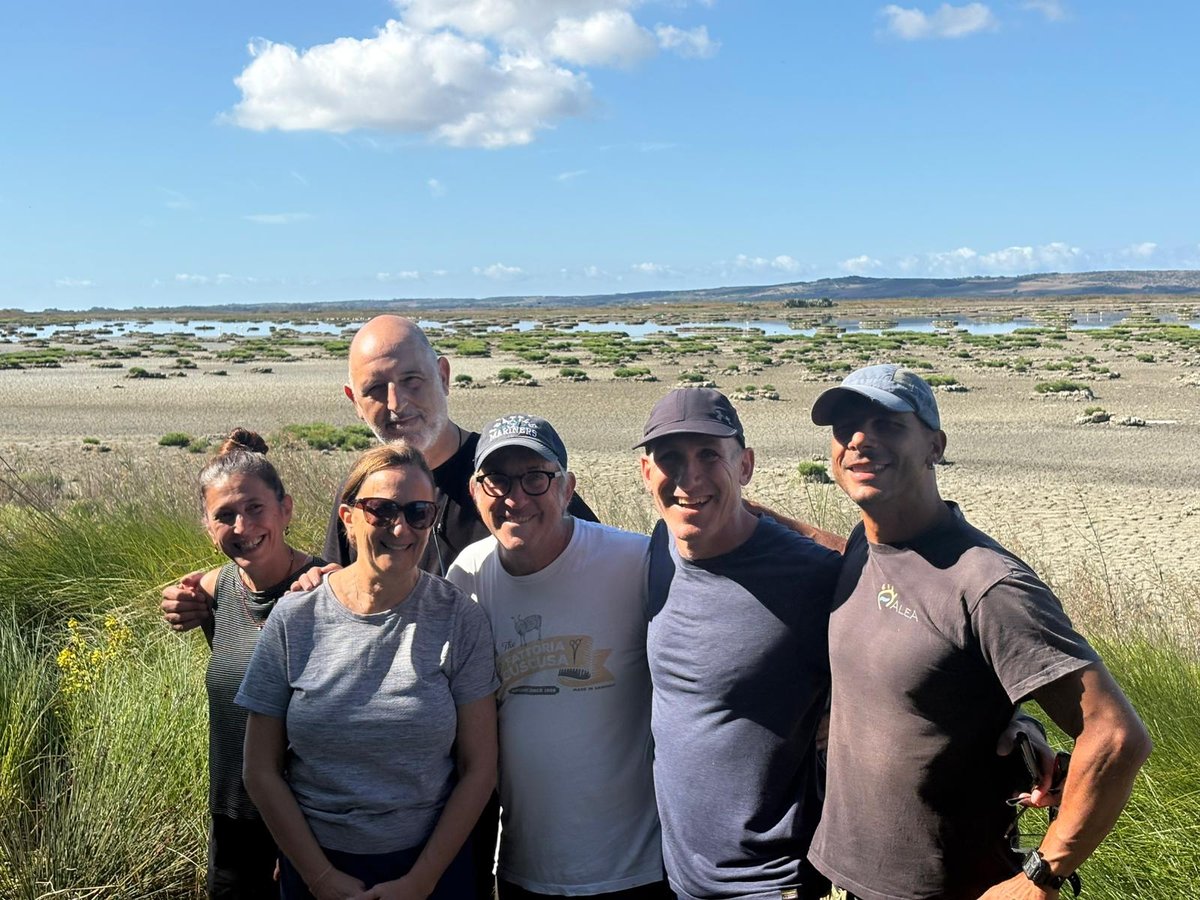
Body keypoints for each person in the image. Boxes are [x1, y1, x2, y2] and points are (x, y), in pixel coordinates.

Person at [163, 315, 595, 897]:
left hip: (527, 775)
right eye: (375, 389)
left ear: (444, 375)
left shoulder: (508, 475)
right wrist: (218, 591)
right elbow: (320, 600)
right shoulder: (365, 495)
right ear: (352, 399)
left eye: (413, 381)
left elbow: (598, 568)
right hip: (388, 803)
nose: (397, 403)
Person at [803, 364, 1152, 900]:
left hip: (943, 886)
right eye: (844, 426)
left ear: (935, 446)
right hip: (845, 876)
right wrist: (741, 514)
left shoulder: (989, 584)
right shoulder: (863, 545)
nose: (859, 441)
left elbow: (1115, 736)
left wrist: (1043, 874)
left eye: (888, 425)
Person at [237, 443, 499, 899]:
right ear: (348, 517)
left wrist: (421, 881)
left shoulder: (459, 617)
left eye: (419, 512)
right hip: (316, 865)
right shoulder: (294, 619)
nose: (400, 527)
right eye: (380, 510)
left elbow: (480, 768)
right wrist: (320, 879)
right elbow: (259, 769)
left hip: (430, 869)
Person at [446, 414, 668, 900]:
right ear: (474, 490)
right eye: (497, 479)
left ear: (567, 489)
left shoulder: (635, 562)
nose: (515, 497)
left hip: (638, 870)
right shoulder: (468, 575)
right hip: (525, 868)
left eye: (536, 478)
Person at [637, 388, 843, 900]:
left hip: (772, 881)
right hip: (677, 874)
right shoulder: (656, 551)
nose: (690, 479)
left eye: (710, 455)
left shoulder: (811, 575)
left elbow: (920, 632)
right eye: (670, 459)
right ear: (646, 473)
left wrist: (1011, 720)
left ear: (745, 464)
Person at [186, 428, 326, 898]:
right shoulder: (214, 591)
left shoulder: (329, 589)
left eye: (255, 508)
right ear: (208, 527)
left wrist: (299, 846)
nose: (243, 527)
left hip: (313, 822)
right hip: (232, 822)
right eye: (225, 516)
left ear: (285, 510)